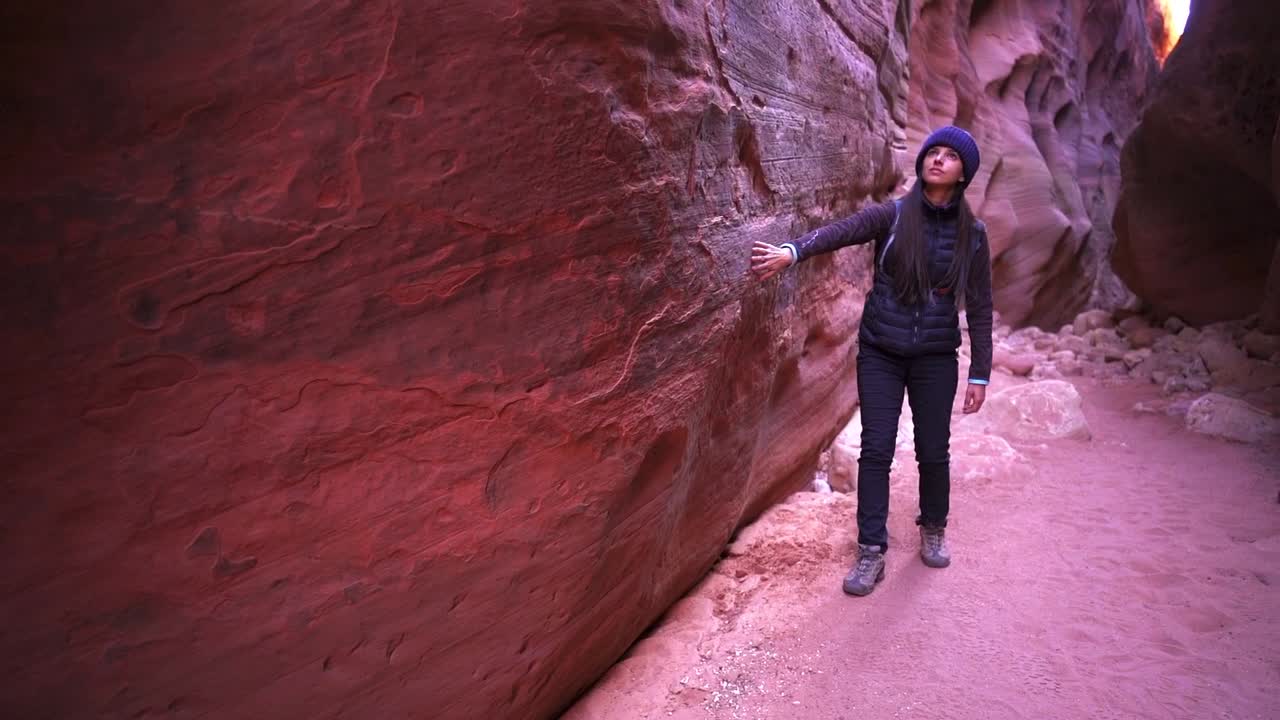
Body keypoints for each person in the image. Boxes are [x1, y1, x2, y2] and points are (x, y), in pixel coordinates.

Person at [749, 126, 994, 597]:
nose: (937, 160)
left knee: (933, 449)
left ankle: (934, 525)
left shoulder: (974, 236)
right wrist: (791, 251)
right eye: (932, 153)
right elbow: (842, 231)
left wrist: (980, 372)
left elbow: (981, 306)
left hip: (936, 358)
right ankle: (870, 550)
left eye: (949, 156)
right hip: (881, 350)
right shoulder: (895, 216)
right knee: (876, 449)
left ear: (964, 173)